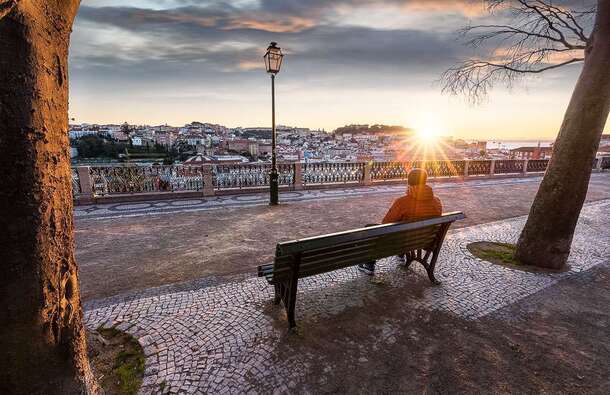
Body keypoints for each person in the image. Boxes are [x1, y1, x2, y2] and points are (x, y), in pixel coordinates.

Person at [357, 168, 443, 275]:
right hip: (424, 241)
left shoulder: (402, 202)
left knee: (370, 228)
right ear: (425, 181)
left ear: (408, 182)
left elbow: (386, 224)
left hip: (401, 242)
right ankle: (401, 254)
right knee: (407, 229)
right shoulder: (437, 201)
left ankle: (368, 264)